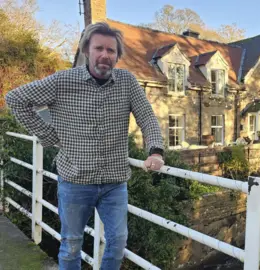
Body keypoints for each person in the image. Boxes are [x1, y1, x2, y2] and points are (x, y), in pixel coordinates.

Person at [5, 22, 164, 269]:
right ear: (86, 51)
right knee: (70, 245)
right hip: (74, 181)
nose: (105, 55)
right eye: (98, 48)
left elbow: (147, 117)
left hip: (114, 182)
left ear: (117, 56)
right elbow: (15, 99)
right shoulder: (62, 81)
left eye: (111, 51)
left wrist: (155, 151)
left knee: (118, 241)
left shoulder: (127, 82)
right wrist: (49, 135)